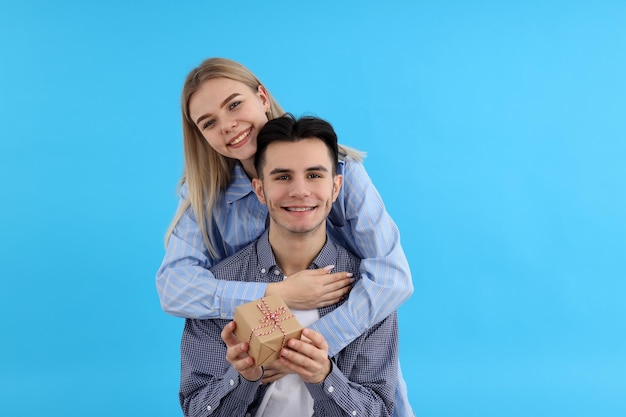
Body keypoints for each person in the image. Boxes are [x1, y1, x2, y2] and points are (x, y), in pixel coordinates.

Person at [156, 57, 414, 416]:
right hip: (246, 354)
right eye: (209, 122)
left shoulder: (342, 173)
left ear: (262, 97)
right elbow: (174, 286)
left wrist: (309, 347)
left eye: (234, 104)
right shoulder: (206, 196)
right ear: (260, 191)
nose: (229, 126)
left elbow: (392, 278)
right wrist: (275, 294)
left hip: (344, 352)